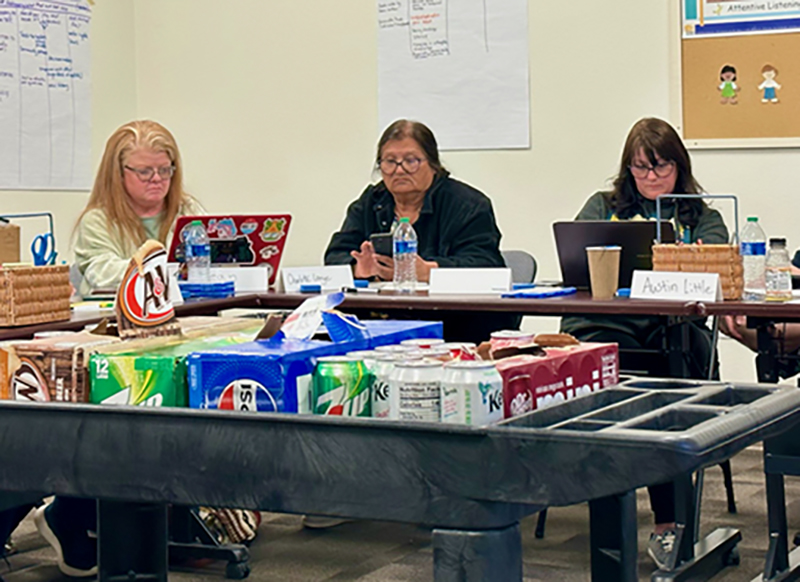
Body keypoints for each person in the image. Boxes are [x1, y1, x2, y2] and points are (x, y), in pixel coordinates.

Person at [560, 117, 729, 571]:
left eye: (661, 167)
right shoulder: (603, 206)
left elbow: (713, 277)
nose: (651, 178)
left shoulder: (701, 217)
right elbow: (577, 264)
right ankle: (606, 511)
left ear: (680, 167)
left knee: (662, 386)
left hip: (670, 334)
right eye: (640, 169)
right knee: (594, 366)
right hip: (608, 328)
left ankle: (668, 523)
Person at [324, 119, 517, 342]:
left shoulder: (468, 204)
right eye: (389, 162)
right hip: (380, 325)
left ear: (433, 164)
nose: (399, 170)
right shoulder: (370, 203)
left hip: (454, 328)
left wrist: (428, 271)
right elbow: (334, 257)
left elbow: (486, 264)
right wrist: (358, 269)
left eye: (410, 161)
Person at [73, 119, 204, 296]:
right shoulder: (96, 221)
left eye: (164, 170)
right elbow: (102, 273)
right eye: (144, 171)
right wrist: (170, 268)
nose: (157, 179)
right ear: (118, 173)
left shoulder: (188, 210)